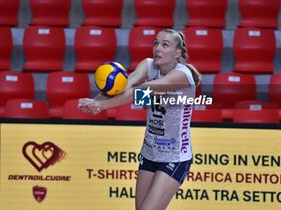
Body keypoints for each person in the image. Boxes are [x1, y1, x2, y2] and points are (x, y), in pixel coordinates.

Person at [78, 28, 201, 210]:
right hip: (150, 152)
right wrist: (95, 101)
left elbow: (140, 93)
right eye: (156, 43)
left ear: (177, 53)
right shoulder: (148, 65)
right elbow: (124, 86)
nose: (158, 48)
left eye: (165, 45)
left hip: (176, 156)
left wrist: (103, 106)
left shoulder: (183, 76)